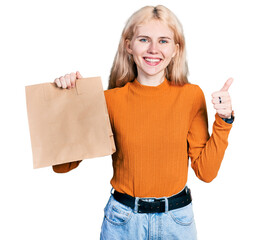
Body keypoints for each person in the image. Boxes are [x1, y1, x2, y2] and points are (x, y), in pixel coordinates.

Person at [52, 5, 235, 240]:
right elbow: (62, 166)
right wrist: (69, 100)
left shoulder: (191, 96)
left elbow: (206, 172)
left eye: (163, 41)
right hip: (122, 222)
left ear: (176, 49)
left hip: (177, 222)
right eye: (144, 39)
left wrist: (224, 119)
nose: (153, 49)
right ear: (129, 45)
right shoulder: (109, 101)